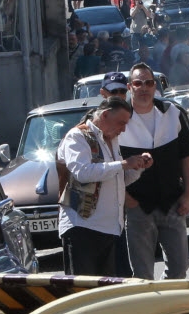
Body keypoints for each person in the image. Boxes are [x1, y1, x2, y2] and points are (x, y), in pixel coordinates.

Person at [121, 63, 189, 280]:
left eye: (149, 83)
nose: (144, 88)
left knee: (179, 268)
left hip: (172, 202)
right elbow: (111, 164)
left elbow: (186, 155)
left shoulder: (172, 113)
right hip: (138, 205)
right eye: (138, 83)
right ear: (130, 87)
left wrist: (188, 193)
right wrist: (127, 200)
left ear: (155, 86)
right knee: (142, 274)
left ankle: (171, 309)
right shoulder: (120, 119)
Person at [57, 101, 152, 276]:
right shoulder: (77, 136)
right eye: (121, 123)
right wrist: (123, 164)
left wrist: (138, 166)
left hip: (112, 229)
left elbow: (116, 181)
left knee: (117, 292)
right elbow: (83, 173)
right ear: (106, 115)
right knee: (86, 292)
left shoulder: (112, 139)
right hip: (83, 229)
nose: (123, 129)